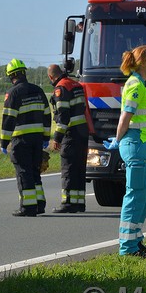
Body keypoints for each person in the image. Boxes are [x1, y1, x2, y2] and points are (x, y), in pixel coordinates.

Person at [103, 45, 146, 257]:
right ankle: (127, 247)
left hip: (142, 143)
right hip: (135, 144)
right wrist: (117, 140)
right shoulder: (135, 85)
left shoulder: (143, 85)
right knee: (135, 194)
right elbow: (125, 117)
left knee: (143, 195)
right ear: (144, 62)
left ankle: (136, 241)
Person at [0, 59, 51, 217]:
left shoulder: (13, 93)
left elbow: (9, 119)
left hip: (21, 140)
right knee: (35, 171)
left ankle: (28, 207)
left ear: (11, 76)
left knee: (23, 172)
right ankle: (40, 204)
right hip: (37, 139)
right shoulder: (38, 90)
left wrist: (4, 142)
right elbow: (47, 115)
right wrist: (45, 137)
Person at [47, 64, 89, 213]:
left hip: (71, 133)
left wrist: (57, 138)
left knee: (68, 168)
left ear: (51, 77)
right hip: (82, 132)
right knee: (79, 168)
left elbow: (63, 116)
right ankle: (79, 203)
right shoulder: (75, 84)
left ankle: (67, 203)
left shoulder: (61, 88)